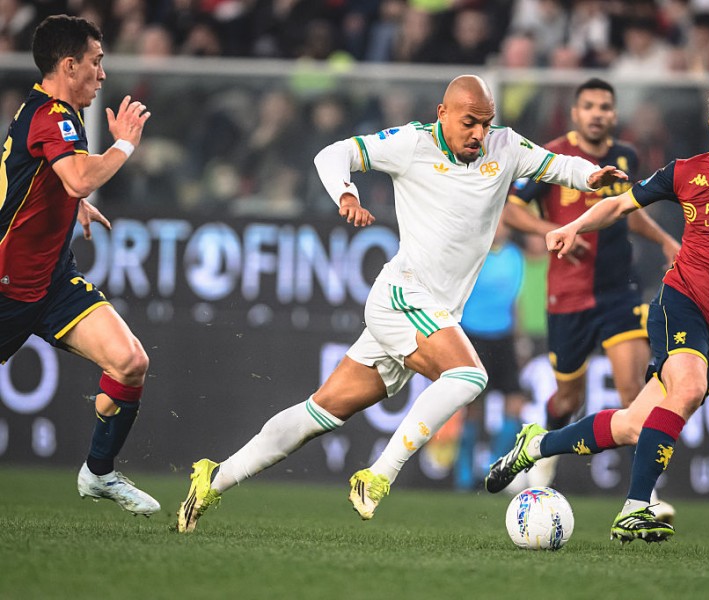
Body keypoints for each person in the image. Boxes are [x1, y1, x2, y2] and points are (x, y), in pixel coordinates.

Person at [176, 74, 627, 532]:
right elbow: (332, 154)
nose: (479, 133)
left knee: (322, 411)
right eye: (469, 122)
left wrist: (591, 176)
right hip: (403, 295)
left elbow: (556, 165)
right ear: (443, 113)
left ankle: (215, 478)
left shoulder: (504, 146)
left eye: (486, 123)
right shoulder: (411, 143)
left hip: (434, 313)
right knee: (469, 376)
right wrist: (346, 193)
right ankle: (378, 475)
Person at [485, 80, 709, 544]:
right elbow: (620, 205)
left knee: (633, 425)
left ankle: (536, 444)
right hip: (681, 301)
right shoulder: (686, 171)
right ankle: (635, 508)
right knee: (687, 388)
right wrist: (573, 227)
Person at [501, 78, 680, 519]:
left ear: (614, 114)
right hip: (568, 297)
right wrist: (555, 230)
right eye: (589, 106)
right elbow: (511, 210)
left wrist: (663, 240)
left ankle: (645, 497)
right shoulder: (552, 157)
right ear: (575, 113)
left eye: (605, 106)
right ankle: (538, 452)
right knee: (568, 399)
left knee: (633, 392)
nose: (598, 113)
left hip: (619, 293)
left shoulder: (626, 157)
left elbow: (628, 212)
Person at [0, 15, 157, 515]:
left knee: (130, 362)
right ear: (69, 65)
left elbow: (41, 176)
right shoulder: (52, 115)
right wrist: (124, 143)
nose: (102, 74)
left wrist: (68, 201)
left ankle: (99, 472)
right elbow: (80, 177)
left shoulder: (48, 113)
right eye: (96, 61)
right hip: (6, 285)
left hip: (51, 281)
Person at [455, 220, 527, 491]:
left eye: (505, 224)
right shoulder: (474, 252)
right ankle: (463, 473)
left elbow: (516, 301)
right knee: (474, 404)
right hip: (473, 334)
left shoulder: (515, 257)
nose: (500, 228)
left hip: (503, 336)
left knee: (515, 401)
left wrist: (520, 340)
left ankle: (494, 468)